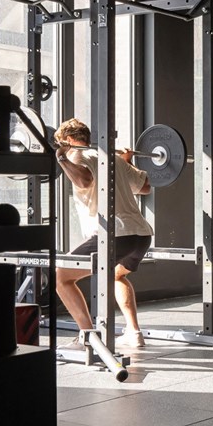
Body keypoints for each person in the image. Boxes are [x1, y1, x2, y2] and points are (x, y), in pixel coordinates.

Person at [52, 116, 152, 353]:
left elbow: (85, 180)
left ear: (67, 140)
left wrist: (60, 156)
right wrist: (127, 162)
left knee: (62, 277)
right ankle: (134, 333)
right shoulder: (114, 158)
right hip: (141, 235)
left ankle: (88, 338)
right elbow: (146, 186)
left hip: (114, 235)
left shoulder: (76, 155)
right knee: (116, 276)